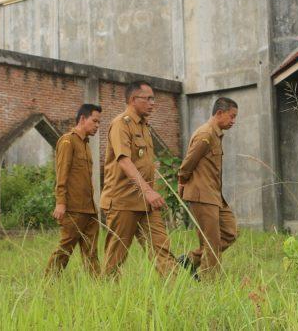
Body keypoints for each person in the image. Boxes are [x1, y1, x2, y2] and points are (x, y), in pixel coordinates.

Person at [100, 81, 176, 277]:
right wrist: (149, 191)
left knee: (162, 250)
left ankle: (178, 297)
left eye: (153, 99)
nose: (152, 103)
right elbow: (124, 161)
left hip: (146, 204)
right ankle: (106, 299)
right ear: (134, 100)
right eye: (148, 98)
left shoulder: (144, 126)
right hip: (123, 201)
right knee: (115, 258)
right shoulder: (121, 124)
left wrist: (150, 193)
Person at [177, 97, 239, 279]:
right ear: (219, 113)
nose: (234, 121)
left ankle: (190, 260)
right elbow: (188, 163)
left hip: (215, 195)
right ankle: (208, 283)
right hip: (202, 195)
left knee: (231, 231)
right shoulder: (205, 135)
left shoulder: (216, 135)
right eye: (232, 116)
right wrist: (182, 182)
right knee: (211, 242)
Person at [45, 103, 102, 277]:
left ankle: (97, 287)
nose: (97, 126)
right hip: (73, 208)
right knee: (65, 249)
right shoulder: (67, 141)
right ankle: (48, 283)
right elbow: (62, 174)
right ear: (83, 119)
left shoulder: (85, 145)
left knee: (91, 252)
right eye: (95, 121)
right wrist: (60, 203)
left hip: (89, 209)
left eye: (99, 122)